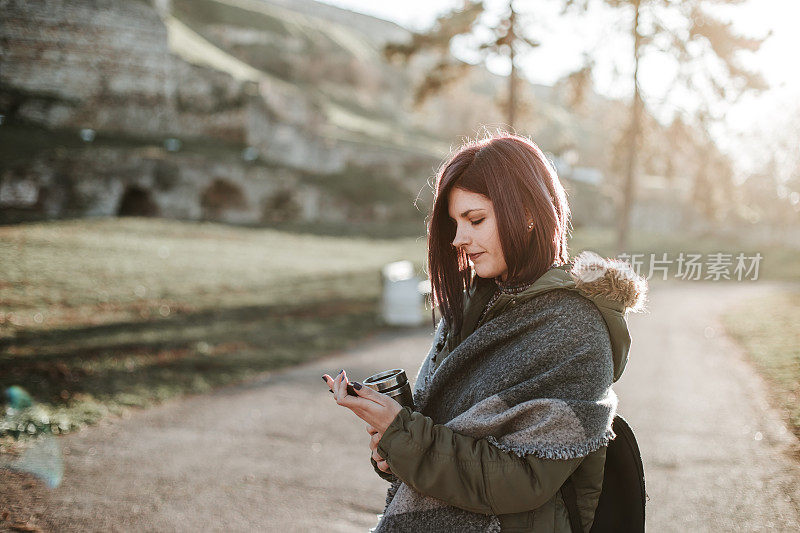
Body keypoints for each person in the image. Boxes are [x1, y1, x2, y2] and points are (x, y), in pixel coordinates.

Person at [323, 132, 647, 532]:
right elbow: (439, 446)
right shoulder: (469, 310)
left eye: (475, 220)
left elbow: (524, 480)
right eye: (455, 223)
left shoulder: (574, 330)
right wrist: (393, 445)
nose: (459, 239)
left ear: (528, 212)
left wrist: (405, 435)